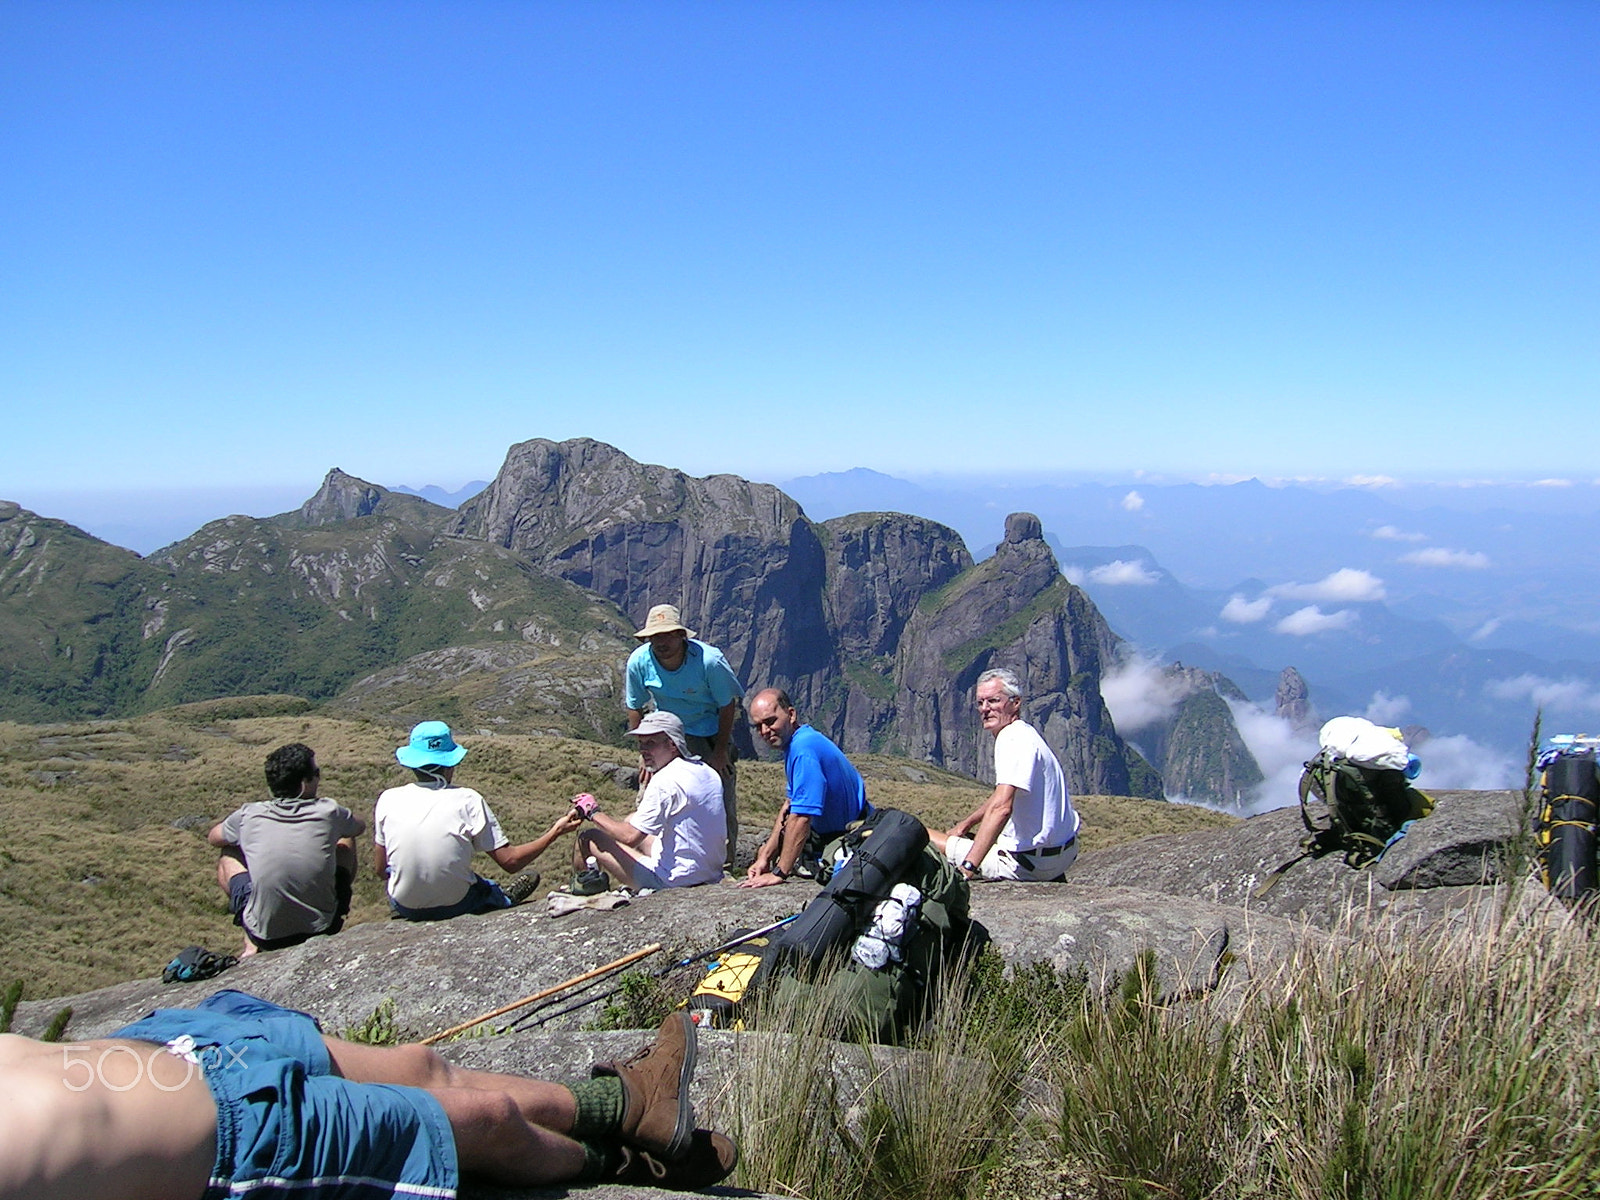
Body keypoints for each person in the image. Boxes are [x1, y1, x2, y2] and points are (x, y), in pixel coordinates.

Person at [0, 988, 737, 1199]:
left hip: (174, 1039)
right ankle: (624, 1162)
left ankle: (636, 1100)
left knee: (421, 1063)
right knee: (478, 1119)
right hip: (233, 1138)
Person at [375, 720, 580, 920]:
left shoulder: (387, 798)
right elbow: (510, 862)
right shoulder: (468, 799)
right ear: (449, 765)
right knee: (485, 888)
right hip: (456, 904)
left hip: (406, 905)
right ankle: (504, 898)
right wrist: (555, 832)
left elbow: (381, 869)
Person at [207, 743, 364, 957]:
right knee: (346, 835)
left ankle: (250, 931)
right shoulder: (329, 811)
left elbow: (214, 837)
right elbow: (359, 826)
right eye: (316, 773)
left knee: (228, 853)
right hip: (322, 927)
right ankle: (337, 899)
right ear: (304, 782)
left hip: (265, 935)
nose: (318, 777)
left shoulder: (248, 815)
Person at [927, 668, 1081, 882]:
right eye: (980, 702)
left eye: (993, 701)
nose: (985, 709)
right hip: (1062, 855)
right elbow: (1003, 796)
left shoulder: (1011, 740)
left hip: (1028, 864)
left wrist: (968, 867)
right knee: (967, 836)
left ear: (1015, 702)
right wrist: (967, 824)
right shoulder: (1025, 732)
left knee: (915, 834)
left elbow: (1001, 808)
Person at [625, 604, 745, 867]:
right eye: (655, 636)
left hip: (709, 734)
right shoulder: (639, 661)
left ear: (681, 635)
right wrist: (644, 754)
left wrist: (720, 751)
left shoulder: (709, 662)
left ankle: (723, 865)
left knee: (718, 799)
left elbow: (727, 705)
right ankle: (652, 863)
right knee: (650, 796)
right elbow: (634, 705)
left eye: (668, 634)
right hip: (665, 734)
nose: (661, 641)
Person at [573, 711, 727, 891]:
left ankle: (585, 889)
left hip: (675, 880)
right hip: (710, 871)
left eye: (651, 743)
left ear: (672, 744)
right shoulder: (706, 770)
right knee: (633, 818)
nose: (643, 751)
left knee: (589, 838)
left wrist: (592, 811)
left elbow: (629, 838)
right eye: (641, 743)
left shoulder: (664, 780)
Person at [739, 687, 872, 887]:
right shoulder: (801, 741)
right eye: (758, 726)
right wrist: (765, 856)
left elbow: (801, 817)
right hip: (860, 824)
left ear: (791, 714)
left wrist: (779, 873)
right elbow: (790, 808)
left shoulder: (803, 752)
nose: (765, 731)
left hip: (851, 837)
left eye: (770, 721)